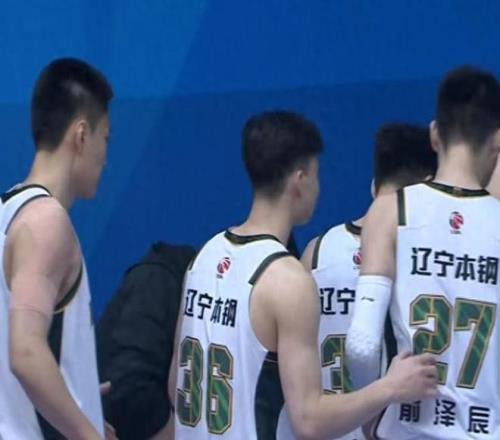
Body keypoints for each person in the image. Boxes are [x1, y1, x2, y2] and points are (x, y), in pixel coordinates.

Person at [168, 111, 437, 439]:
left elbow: (175, 386)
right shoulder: (288, 281)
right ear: (300, 180)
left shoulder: (203, 258)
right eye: (316, 174)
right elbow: (309, 421)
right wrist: (391, 387)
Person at [346, 66, 500, 439]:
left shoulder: (390, 210)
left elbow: (362, 345)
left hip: (406, 427)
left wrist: (372, 410)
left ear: (434, 134)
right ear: (497, 141)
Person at [302, 122, 437, 440]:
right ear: (428, 188)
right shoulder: (421, 264)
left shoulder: (315, 253)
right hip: (384, 429)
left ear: (374, 187)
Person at [0, 58, 113, 439]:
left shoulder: (7, 212)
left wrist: (79, 401)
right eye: (105, 139)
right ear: (81, 135)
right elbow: (25, 353)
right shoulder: (46, 222)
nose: (106, 157)